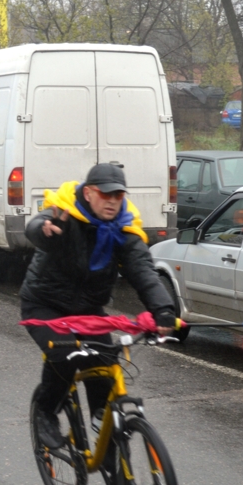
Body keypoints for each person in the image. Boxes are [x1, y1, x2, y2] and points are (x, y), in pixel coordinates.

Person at [20, 163, 178, 449]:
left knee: (104, 358)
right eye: (107, 195)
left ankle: (102, 423)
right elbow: (36, 226)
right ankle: (46, 413)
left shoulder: (124, 227)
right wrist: (46, 232)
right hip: (45, 304)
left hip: (88, 310)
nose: (113, 202)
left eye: (118, 196)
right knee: (65, 354)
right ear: (90, 193)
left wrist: (163, 309)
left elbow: (141, 269)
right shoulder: (63, 212)